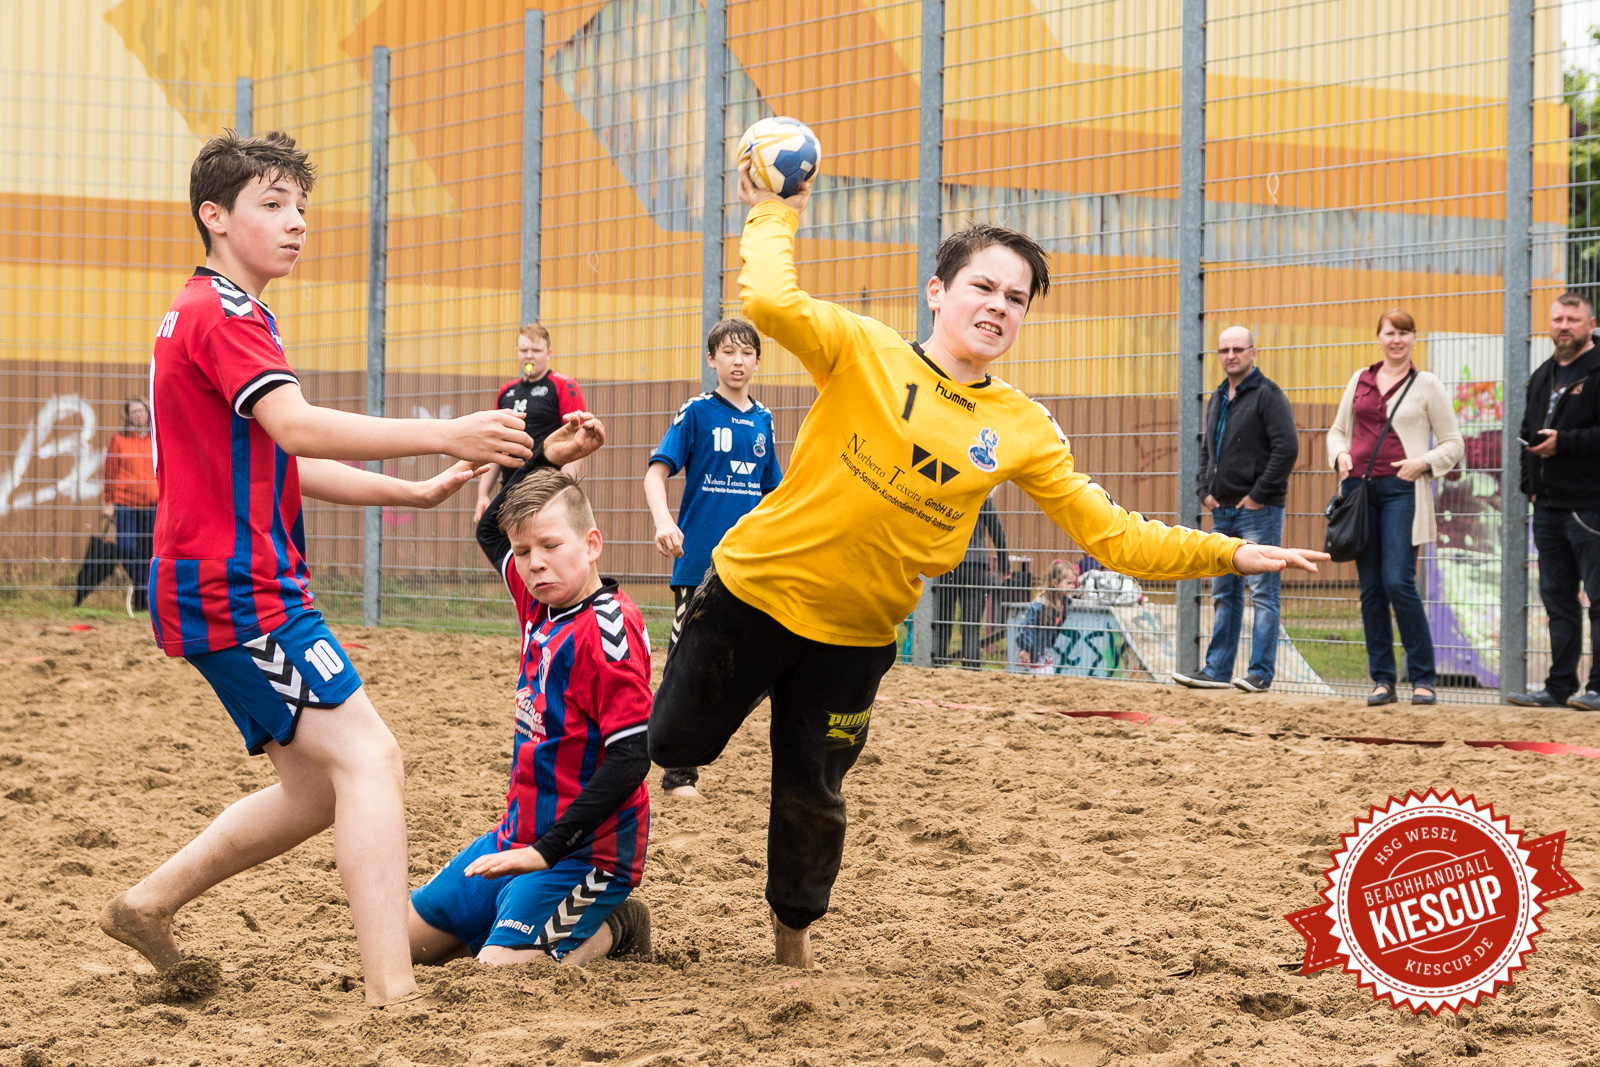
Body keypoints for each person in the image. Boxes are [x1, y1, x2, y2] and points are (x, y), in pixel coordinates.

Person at [647, 163, 1327, 968]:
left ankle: (789, 947)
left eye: (1016, 298)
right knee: (668, 742)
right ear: (937, 293)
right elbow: (766, 303)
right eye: (983, 286)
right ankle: (580, 854)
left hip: (855, 637)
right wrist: (772, 211)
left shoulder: (1021, 425)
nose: (998, 306)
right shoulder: (863, 350)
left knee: (813, 795)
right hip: (751, 597)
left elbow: (1111, 535)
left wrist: (1230, 550)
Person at [98, 129, 536, 1008]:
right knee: (372, 760)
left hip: (234, 583)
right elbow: (295, 428)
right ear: (213, 218)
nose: (296, 222)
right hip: (237, 590)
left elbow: (276, 460)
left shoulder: (217, 310)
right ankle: (394, 994)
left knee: (313, 790)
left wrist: (407, 494)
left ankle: (145, 903)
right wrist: (444, 431)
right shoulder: (224, 313)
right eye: (272, 204)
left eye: (301, 205)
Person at [408, 454, 652, 968]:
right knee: (399, 945)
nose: (534, 561)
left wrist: (548, 850)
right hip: (513, 836)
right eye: (525, 552)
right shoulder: (539, 599)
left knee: (502, 975)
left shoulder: (609, 636)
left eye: (550, 546)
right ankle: (505, 919)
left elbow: (632, 758)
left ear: (592, 544)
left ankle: (617, 925)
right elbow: (493, 533)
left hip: (586, 855)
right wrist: (547, 459)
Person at [642, 318, 782, 798]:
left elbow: (773, 497)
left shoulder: (764, 420)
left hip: (748, 567)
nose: (737, 361)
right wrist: (664, 521)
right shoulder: (697, 413)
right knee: (685, 662)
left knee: (756, 661)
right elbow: (655, 474)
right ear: (712, 360)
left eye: (746, 353)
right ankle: (677, 772)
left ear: (758, 362)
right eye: (727, 352)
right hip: (697, 564)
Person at [1326, 309, 1463, 707]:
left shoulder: (1427, 385)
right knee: (1370, 589)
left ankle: (1423, 678)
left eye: (1404, 333)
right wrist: (1340, 456)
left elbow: (1453, 443)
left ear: (1414, 338)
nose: (1397, 340)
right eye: (1390, 333)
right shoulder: (1360, 379)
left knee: (1397, 582)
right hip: (1358, 493)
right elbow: (1337, 431)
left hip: (1404, 491)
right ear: (1379, 337)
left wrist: (1424, 463)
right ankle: (1383, 680)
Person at [1172, 326, 1298, 693]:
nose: (1231, 355)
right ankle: (1217, 671)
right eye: (1224, 349)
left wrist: (1258, 494)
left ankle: (1259, 673)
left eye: (1238, 349)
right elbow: (1207, 449)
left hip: (1258, 510)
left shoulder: (1268, 395)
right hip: (1222, 509)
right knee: (1224, 592)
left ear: (1253, 352)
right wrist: (1203, 490)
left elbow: (1286, 449)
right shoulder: (1218, 397)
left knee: (1262, 592)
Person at [1509, 291, 1600, 711]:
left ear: (1591, 324)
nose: (1564, 326)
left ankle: (1598, 687)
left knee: (1598, 600)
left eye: (1573, 319)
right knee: (1557, 600)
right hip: (1546, 506)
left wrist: (1565, 443)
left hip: (1590, 505)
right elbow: (1526, 429)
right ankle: (1558, 687)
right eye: (1558, 318)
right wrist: (1530, 486)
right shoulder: (1543, 373)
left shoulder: (1597, 369)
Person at [474, 324, 587, 523]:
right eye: (524, 350)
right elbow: (496, 446)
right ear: (517, 352)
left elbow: (578, 440)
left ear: (549, 353)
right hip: (511, 491)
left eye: (536, 350)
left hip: (546, 490)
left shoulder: (563, 385)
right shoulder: (506, 392)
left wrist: (564, 487)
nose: (529, 356)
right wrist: (483, 494)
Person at [933, 492, 1008, 668]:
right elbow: (997, 532)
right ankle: (971, 669)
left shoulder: (945, 492)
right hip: (975, 564)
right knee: (971, 625)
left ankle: (938, 667)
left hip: (947, 562)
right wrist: (1004, 567)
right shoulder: (981, 494)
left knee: (942, 622)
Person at [101, 397, 159, 613]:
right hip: (125, 502)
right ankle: (143, 586)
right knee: (125, 548)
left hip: (153, 503)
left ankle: (144, 602)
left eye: (141, 411)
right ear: (128, 416)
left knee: (150, 553)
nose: (137, 415)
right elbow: (109, 471)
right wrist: (108, 502)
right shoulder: (119, 439)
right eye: (133, 411)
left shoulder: (156, 437)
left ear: (147, 413)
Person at [1013, 558, 1076, 672]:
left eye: (1073, 583)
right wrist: (1026, 649)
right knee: (1040, 673)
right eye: (1069, 583)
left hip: (1042, 646)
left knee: (1047, 672)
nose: (1073, 587)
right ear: (1055, 583)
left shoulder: (1063, 604)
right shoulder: (1040, 605)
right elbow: (1029, 627)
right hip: (1031, 646)